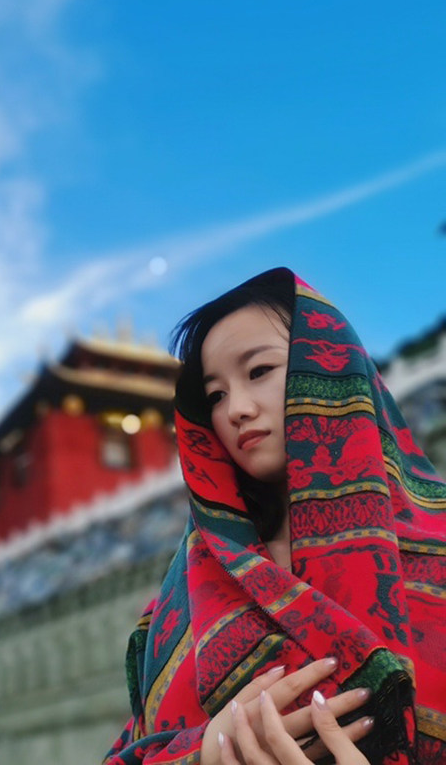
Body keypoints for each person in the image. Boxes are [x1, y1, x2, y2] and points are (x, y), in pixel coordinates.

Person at [103, 268, 446, 764]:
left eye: (259, 371)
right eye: (216, 395)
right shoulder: (178, 607)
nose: (236, 409)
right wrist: (204, 752)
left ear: (328, 367)